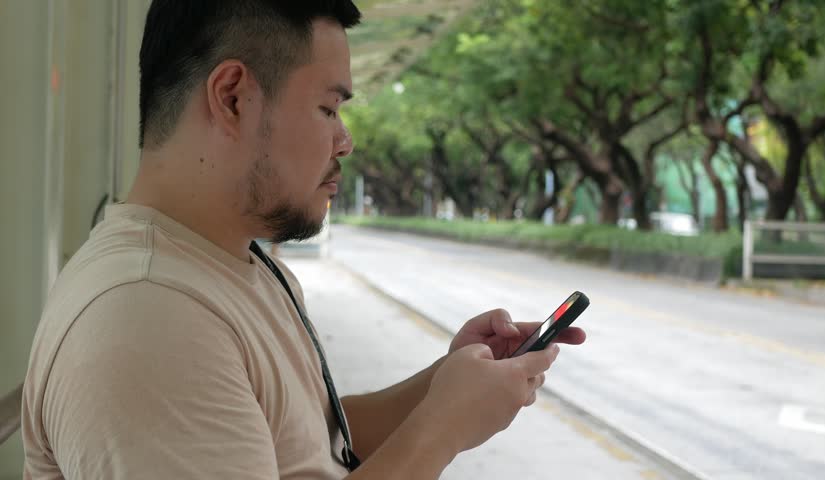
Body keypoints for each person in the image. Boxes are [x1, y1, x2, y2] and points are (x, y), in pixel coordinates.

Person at [21, 1, 586, 478]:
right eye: (328, 108)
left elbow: (307, 439)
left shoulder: (232, 262)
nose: (345, 141)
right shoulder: (147, 320)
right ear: (234, 97)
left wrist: (445, 384)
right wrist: (441, 431)